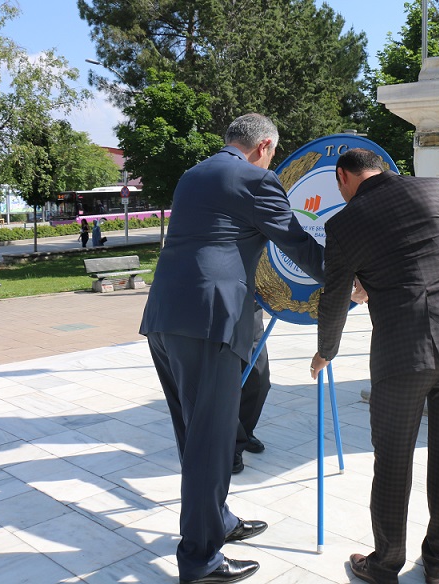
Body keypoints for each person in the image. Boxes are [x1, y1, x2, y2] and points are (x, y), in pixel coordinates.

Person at [139, 113, 325, 584]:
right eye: (274, 153)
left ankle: (216, 520)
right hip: (210, 322)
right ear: (264, 146)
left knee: (193, 436)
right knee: (211, 443)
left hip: (166, 317)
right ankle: (202, 560)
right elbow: (297, 243)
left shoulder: (194, 174)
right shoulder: (256, 179)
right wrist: (347, 282)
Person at [310, 149, 439, 584]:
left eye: (338, 185)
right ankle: (437, 563)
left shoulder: (342, 225)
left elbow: (335, 296)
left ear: (344, 176)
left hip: (403, 353)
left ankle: (384, 566)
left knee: (393, 463)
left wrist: (328, 350)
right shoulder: (433, 188)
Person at [233, 302, 270, 474]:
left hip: (252, 312)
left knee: (260, 381)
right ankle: (229, 445)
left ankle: (243, 433)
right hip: (218, 310)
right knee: (223, 388)